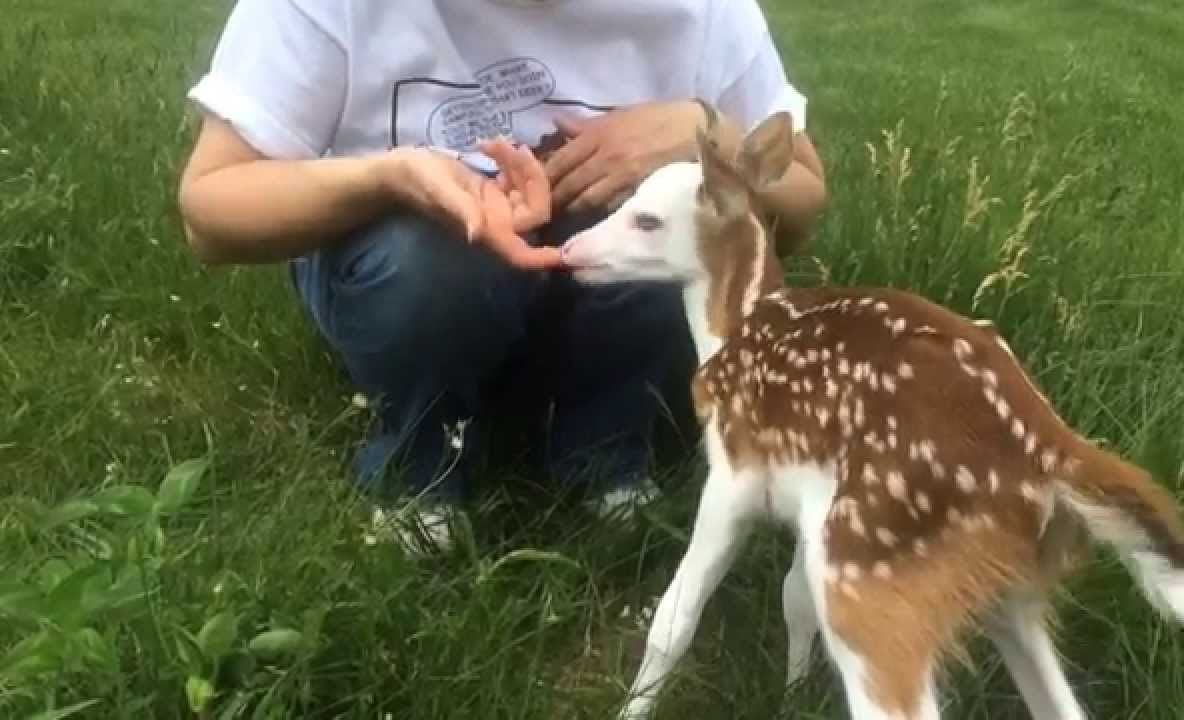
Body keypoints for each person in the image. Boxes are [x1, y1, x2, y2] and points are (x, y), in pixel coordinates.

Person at [177, 0, 828, 554]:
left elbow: (799, 204)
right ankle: (421, 471)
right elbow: (210, 213)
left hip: (609, 277)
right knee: (431, 264)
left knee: (665, 226)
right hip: (409, 272)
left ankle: (607, 454)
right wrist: (386, 178)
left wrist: (706, 134)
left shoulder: (703, 11)